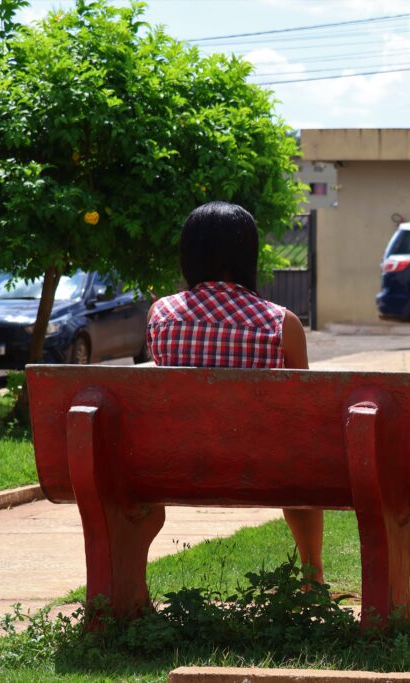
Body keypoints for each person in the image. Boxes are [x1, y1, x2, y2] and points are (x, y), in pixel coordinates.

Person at [146, 201, 324, 583]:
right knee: (302, 461)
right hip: (265, 471)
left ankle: (125, 585)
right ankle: (313, 577)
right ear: (249, 255)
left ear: (188, 254)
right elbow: (302, 413)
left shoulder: (161, 316)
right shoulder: (281, 324)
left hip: (175, 469)